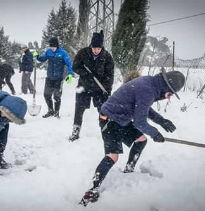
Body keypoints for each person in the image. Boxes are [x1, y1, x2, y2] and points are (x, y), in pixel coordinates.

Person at [79, 69, 185, 206]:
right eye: (170, 93)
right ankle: (92, 189)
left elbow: (143, 107)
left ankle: (129, 169)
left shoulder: (150, 84)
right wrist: (155, 134)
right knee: (113, 156)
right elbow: (139, 121)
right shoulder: (148, 89)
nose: (169, 96)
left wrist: (161, 120)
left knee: (141, 140)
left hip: (121, 118)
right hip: (109, 119)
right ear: (166, 86)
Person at [68, 30, 114, 141]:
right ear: (91, 46)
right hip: (84, 86)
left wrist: (107, 90)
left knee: (103, 110)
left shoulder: (107, 57)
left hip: (99, 89)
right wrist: (86, 73)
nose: (96, 50)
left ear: (101, 47)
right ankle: (76, 131)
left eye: (98, 48)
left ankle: (106, 130)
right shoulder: (83, 53)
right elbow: (75, 67)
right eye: (94, 48)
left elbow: (110, 75)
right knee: (79, 108)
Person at [37, 37, 73, 118]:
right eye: (51, 47)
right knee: (46, 95)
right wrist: (37, 56)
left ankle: (56, 112)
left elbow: (69, 64)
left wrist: (70, 74)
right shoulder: (48, 52)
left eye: (54, 47)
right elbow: (42, 59)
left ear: (57, 46)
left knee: (57, 96)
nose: (52, 48)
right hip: (49, 77)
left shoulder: (63, 53)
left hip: (59, 78)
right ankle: (50, 111)